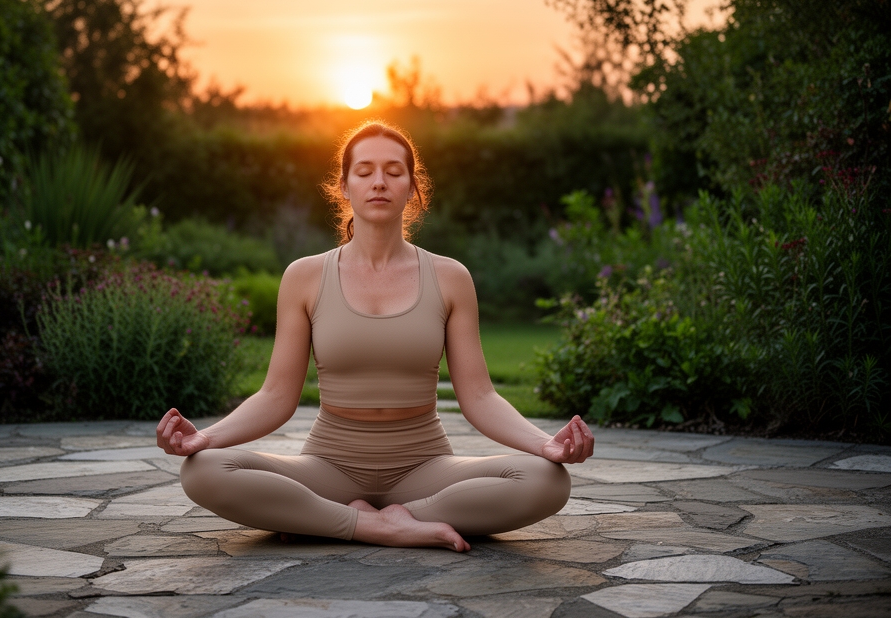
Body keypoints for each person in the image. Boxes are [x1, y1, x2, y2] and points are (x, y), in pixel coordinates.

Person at [157, 120, 594, 552]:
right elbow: (276, 395)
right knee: (203, 470)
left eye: (393, 171)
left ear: (412, 187)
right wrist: (206, 439)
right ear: (344, 187)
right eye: (364, 172)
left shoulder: (450, 277)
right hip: (329, 466)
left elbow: (479, 397)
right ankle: (380, 527)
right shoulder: (304, 277)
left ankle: (344, 520)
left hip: (425, 467)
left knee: (547, 480)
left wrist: (545, 444)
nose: (379, 182)